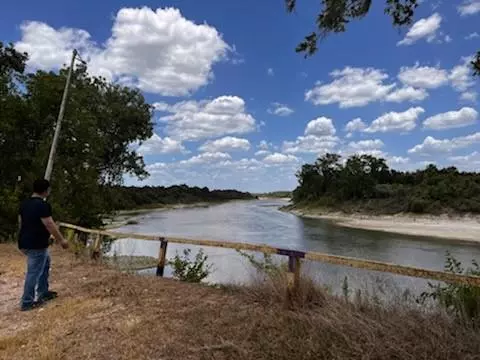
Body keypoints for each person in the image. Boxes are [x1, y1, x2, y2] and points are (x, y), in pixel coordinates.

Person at [18, 178, 69, 311]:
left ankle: (43, 292)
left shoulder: (24, 204)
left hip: (27, 241)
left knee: (45, 265)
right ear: (46, 191)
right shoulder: (42, 205)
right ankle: (27, 302)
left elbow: (20, 223)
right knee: (33, 272)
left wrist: (21, 239)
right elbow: (49, 224)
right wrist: (61, 240)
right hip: (36, 244)